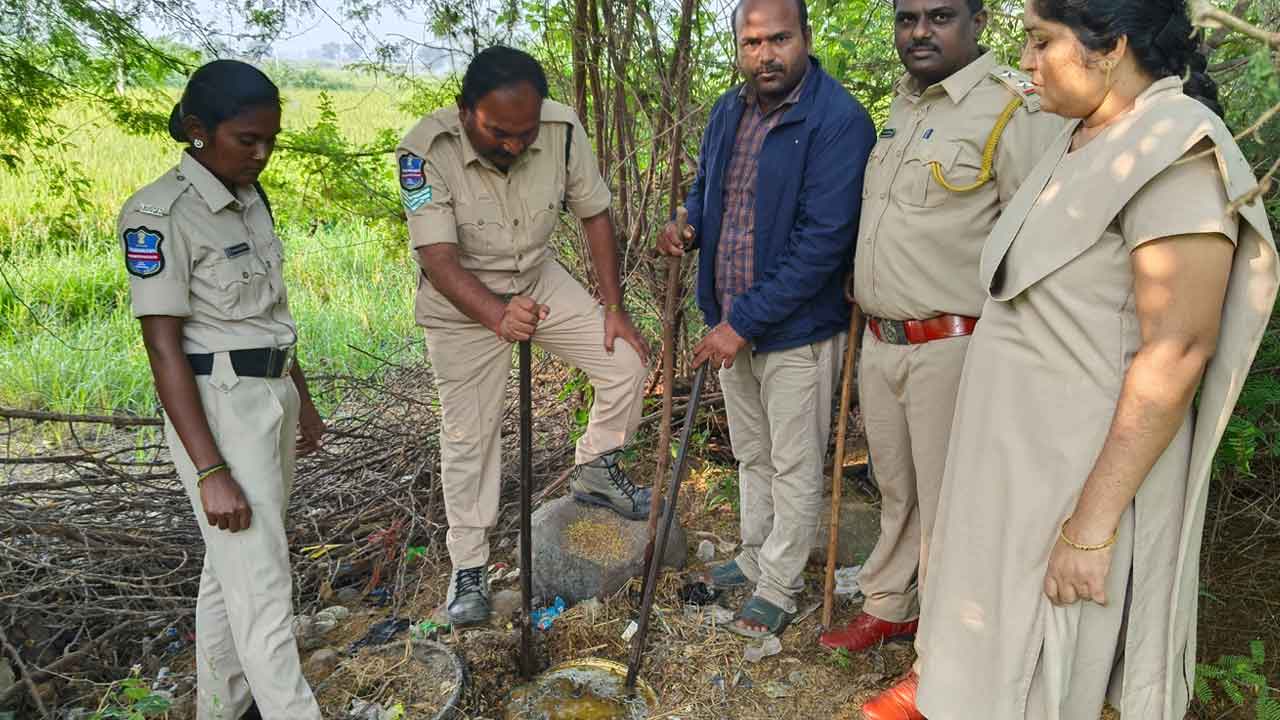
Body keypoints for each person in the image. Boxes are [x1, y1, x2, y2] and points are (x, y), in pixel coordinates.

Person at [905, 1, 1277, 718]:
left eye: (1042, 41)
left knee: (1044, 676)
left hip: (1073, 484)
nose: (1025, 60)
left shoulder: (1175, 147)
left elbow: (1180, 349)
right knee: (983, 662)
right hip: (1012, 470)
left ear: (1111, 48)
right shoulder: (1078, 137)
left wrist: (1090, 527)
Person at [819, 0, 1064, 708]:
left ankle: (942, 666)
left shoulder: (1012, 111)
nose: (919, 32)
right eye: (906, 18)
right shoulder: (902, 105)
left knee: (958, 510)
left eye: (939, 16)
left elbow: (1034, 242)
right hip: (883, 341)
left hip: (955, 346)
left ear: (980, 21)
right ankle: (892, 605)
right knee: (899, 491)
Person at [397, 46, 653, 626]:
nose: (514, 144)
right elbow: (437, 258)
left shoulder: (561, 129)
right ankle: (469, 567)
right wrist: (495, 314)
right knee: (470, 435)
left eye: (524, 132)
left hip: (537, 276)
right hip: (463, 301)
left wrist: (613, 307)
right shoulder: (425, 150)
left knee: (625, 363)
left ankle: (596, 469)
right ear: (465, 112)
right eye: (499, 132)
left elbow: (594, 213)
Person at [658, 0, 876, 637]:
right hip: (733, 318)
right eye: (752, 43)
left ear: (806, 37)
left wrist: (742, 322)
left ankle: (780, 584)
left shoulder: (838, 121)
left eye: (779, 39)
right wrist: (688, 224)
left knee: (795, 462)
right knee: (752, 454)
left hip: (795, 330)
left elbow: (823, 243)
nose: (765, 55)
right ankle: (754, 555)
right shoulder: (731, 109)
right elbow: (708, 188)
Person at [119, 60, 325, 719]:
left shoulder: (248, 197)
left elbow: (268, 312)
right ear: (198, 130)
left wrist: (305, 399)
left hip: (271, 393)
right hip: (221, 409)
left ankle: (222, 708)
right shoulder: (159, 214)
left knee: (230, 569)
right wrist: (210, 469)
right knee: (263, 584)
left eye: (271, 140)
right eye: (247, 140)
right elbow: (163, 347)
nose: (261, 154)